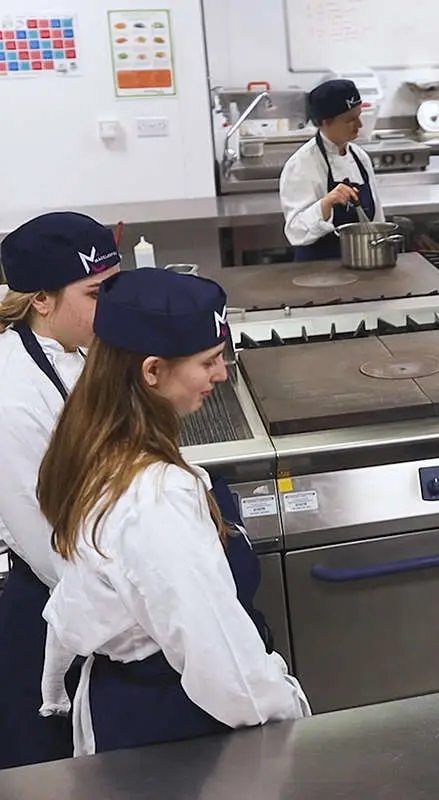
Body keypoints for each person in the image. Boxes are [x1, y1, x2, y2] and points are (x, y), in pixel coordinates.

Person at [36, 268, 309, 756]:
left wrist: (55, 694)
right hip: (178, 730)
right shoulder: (152, 497)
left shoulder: (87, 440)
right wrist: (293, 722)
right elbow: (224, 670)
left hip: (122, 704)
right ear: (152, 371)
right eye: (208, 362)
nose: (222, 375)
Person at [0, 212, 120, 769]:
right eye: (97, 292)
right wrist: (133, 617)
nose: (112, 304)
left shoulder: (83, 348)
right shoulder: (12, 398)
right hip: (54, 605)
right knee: (56, 773)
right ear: (41, 299)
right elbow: (46, 542)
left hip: (101, 587)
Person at [280, 78, 384, 261]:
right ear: (325, 122)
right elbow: (295, 231)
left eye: (359, 115)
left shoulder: (360, 157)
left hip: (361, 263)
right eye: (350, 119)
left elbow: (376, 219)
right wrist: (326, 204)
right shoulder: (302, 164)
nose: (359, 125)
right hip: (317, 271)